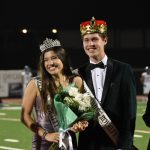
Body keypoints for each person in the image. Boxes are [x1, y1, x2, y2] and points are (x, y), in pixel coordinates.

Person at [75, 17, 137, 150]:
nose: (90, 44)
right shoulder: (77, 74)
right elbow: (74, 112)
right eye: (86, 40)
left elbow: (129, 112)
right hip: (87, 144)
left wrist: (124, 146)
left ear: (105, 40)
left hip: (114, 143)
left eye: (94, 39)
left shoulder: (124, 70)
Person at [20, 38, 88, 150]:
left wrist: (80, 123)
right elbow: (24, 116)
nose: (50, 63)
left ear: (63, 59)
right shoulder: (35, 84)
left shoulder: (76, 81)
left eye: (54, 58)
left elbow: (82, 113)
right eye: (45, 60)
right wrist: (46, 135)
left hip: (68, 141)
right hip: (44, 143)